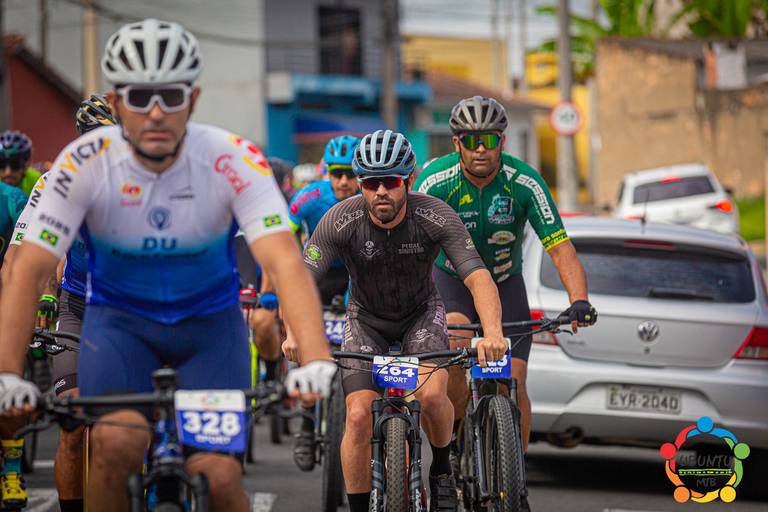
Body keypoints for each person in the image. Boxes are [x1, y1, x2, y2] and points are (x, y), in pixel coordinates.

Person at [0, 18, 334, 512]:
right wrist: (7, 370)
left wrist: (317, 358)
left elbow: (284, 261)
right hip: (119, 327)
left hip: (208, 330)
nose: (155, 112)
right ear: (116, 103)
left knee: (219, 476)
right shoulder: (80, 165)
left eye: (170, 96)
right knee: (113, 447)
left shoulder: (232, 158)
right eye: (139, 97)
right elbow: (27, 268)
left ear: (192, 99)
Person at [288, 129, 507, 512]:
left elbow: (478, 277)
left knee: (433, 396)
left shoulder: (434, 214)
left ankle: (442, 470)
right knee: (358, 416)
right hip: (366, 320)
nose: (380, 192)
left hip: (421, 316)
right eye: (370, 183)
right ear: (361, 184)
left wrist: (492, 333)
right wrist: (294, 334)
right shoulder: (340, 219)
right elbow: (300, 281)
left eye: (390, 182)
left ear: (408, 180)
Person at [413, 96, 597, 465]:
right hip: (452, 282)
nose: (481, 149)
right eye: (471, 141)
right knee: (456, 344)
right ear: (457, 144)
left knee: (514, 379)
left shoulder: (524, 182)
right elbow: (410, 246)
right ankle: (452, 443)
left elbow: (560, 249)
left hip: (504, 282)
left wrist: (579, 300)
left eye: (490, 140)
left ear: (503, 141)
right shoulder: (435, 181)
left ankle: (514, 475)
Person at [0, 94, 118, 512]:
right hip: (78, 308)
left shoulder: (150, 178)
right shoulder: (55, 182)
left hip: (131, 311)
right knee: (73, 422)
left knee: (131, 426)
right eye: (91, 138)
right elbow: (19, 259)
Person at [286, 134, 360, 470]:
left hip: (354, 273)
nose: (343, 181)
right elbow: (285, 238)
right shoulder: (308, 198)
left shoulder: (369, 198)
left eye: (350, 174)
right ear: (326, 172)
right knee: (307, 344)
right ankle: (305, 424)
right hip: (317, 271)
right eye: (336, 173)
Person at [0, 131, 41, 198]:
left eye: (15, 164)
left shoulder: (37, 182)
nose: (8, 172)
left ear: (26, 165)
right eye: (1, 164)